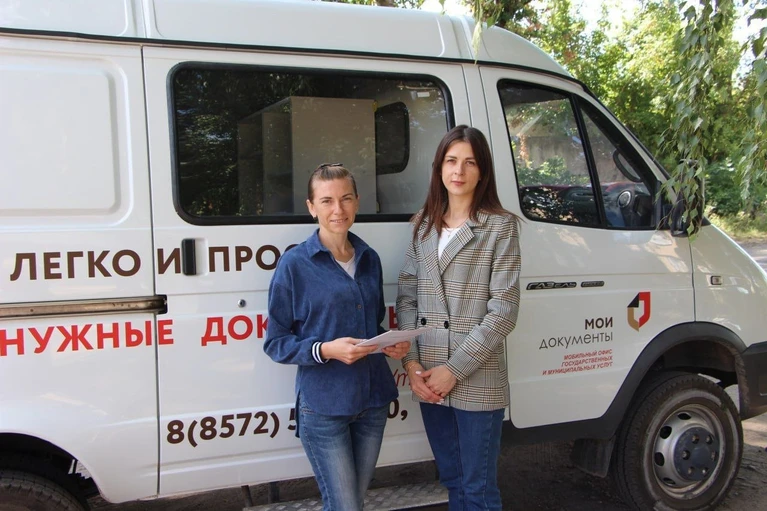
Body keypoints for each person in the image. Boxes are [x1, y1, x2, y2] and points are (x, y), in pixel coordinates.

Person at [263, 163, 410, 511]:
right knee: (346, 506)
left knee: (353, 503)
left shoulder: (369, 259)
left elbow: (371, 326)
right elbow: (275, 342)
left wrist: (387, 343)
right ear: (311, 207)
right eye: (327, 201)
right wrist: (325, 349)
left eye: (345, 199)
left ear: (357, 202)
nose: (338, 209)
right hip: (324, 407)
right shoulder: (295, 265)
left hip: (373, 401)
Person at [396, 125, 521, 510]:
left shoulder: (499, 226)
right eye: (451, 161)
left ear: (482, 172)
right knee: (452, 481)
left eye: (470, 162)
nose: (459, 171)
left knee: (477, 489)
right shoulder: (423, 224)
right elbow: (407, 296)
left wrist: (454, 370)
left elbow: (503, 311)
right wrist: (412, 364)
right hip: (429, 378)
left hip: (475, 377)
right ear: (439, 168)